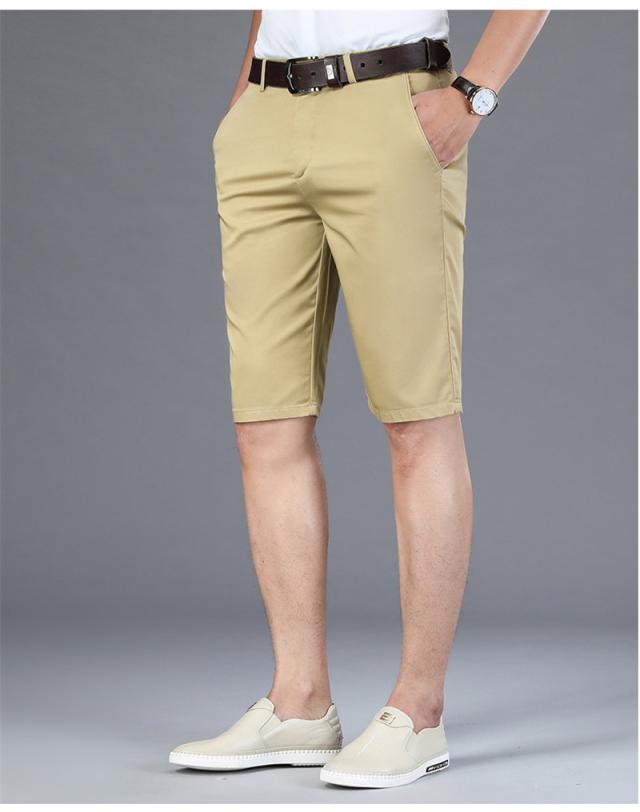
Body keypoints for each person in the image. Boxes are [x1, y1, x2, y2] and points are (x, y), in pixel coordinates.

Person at [170, 9, 548, 789]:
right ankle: (299, 703)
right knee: (264, 424)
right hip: (265, 117)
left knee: (417, 419)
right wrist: (243, 103)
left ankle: (419, 711)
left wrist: (473, 96)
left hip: (392, 103)